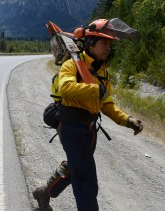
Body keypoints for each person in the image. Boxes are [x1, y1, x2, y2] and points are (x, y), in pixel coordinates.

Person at [33, 19, 143, 211]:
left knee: (75, 168)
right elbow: (65, 88)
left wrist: (126, 120)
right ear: (90, 43)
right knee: (86, 179)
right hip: (71, 128)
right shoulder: (72, 65)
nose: (108, 48)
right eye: (104, 43)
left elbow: (106, 103)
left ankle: (44, 192)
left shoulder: (103, 71)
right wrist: (95, 90)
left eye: (110, 44)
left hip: (89, 130)